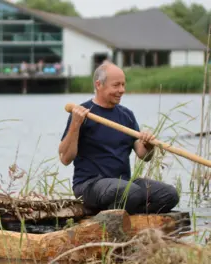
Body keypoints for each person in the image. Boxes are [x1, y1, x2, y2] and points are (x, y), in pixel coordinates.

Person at [58, 61, 179, 215]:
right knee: (130, 193)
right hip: (90, 184)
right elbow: (65, 158)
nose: (121, 90)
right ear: (98, 85)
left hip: (123, 184)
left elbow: (144, 155)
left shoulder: (126, 115)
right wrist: (75, 124)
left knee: (169, 195)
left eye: (123, 85)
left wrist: (148, 144)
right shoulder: (82, 114)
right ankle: (111, 214)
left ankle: (124, 214)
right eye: (116, 85)